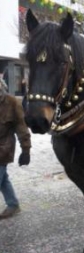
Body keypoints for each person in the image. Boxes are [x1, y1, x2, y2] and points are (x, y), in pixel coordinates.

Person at [0, 77, 31, 219]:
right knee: (3, 178)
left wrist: (26, 150)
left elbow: (21, 127)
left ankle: (13, 205)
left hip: (3, 148)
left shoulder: (12, 103)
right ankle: (13, 204)